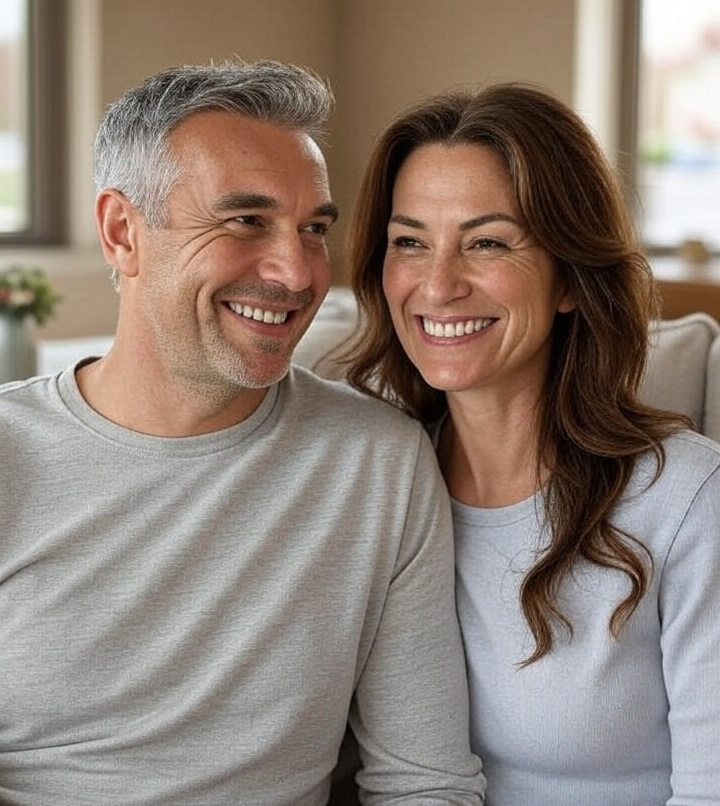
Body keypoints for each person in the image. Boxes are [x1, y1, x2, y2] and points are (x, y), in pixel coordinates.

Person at [0, 60, 485, 805]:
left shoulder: (377, 461)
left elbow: (424, 781)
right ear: (123, 232)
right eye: (246, 221)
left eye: (314, 229)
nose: (297, 273)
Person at [345, 81, 720, 805]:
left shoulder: (688, 501)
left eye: (487, 242)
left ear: (569, 279)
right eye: (410, 242)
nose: (438, 285)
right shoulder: (375, 482)